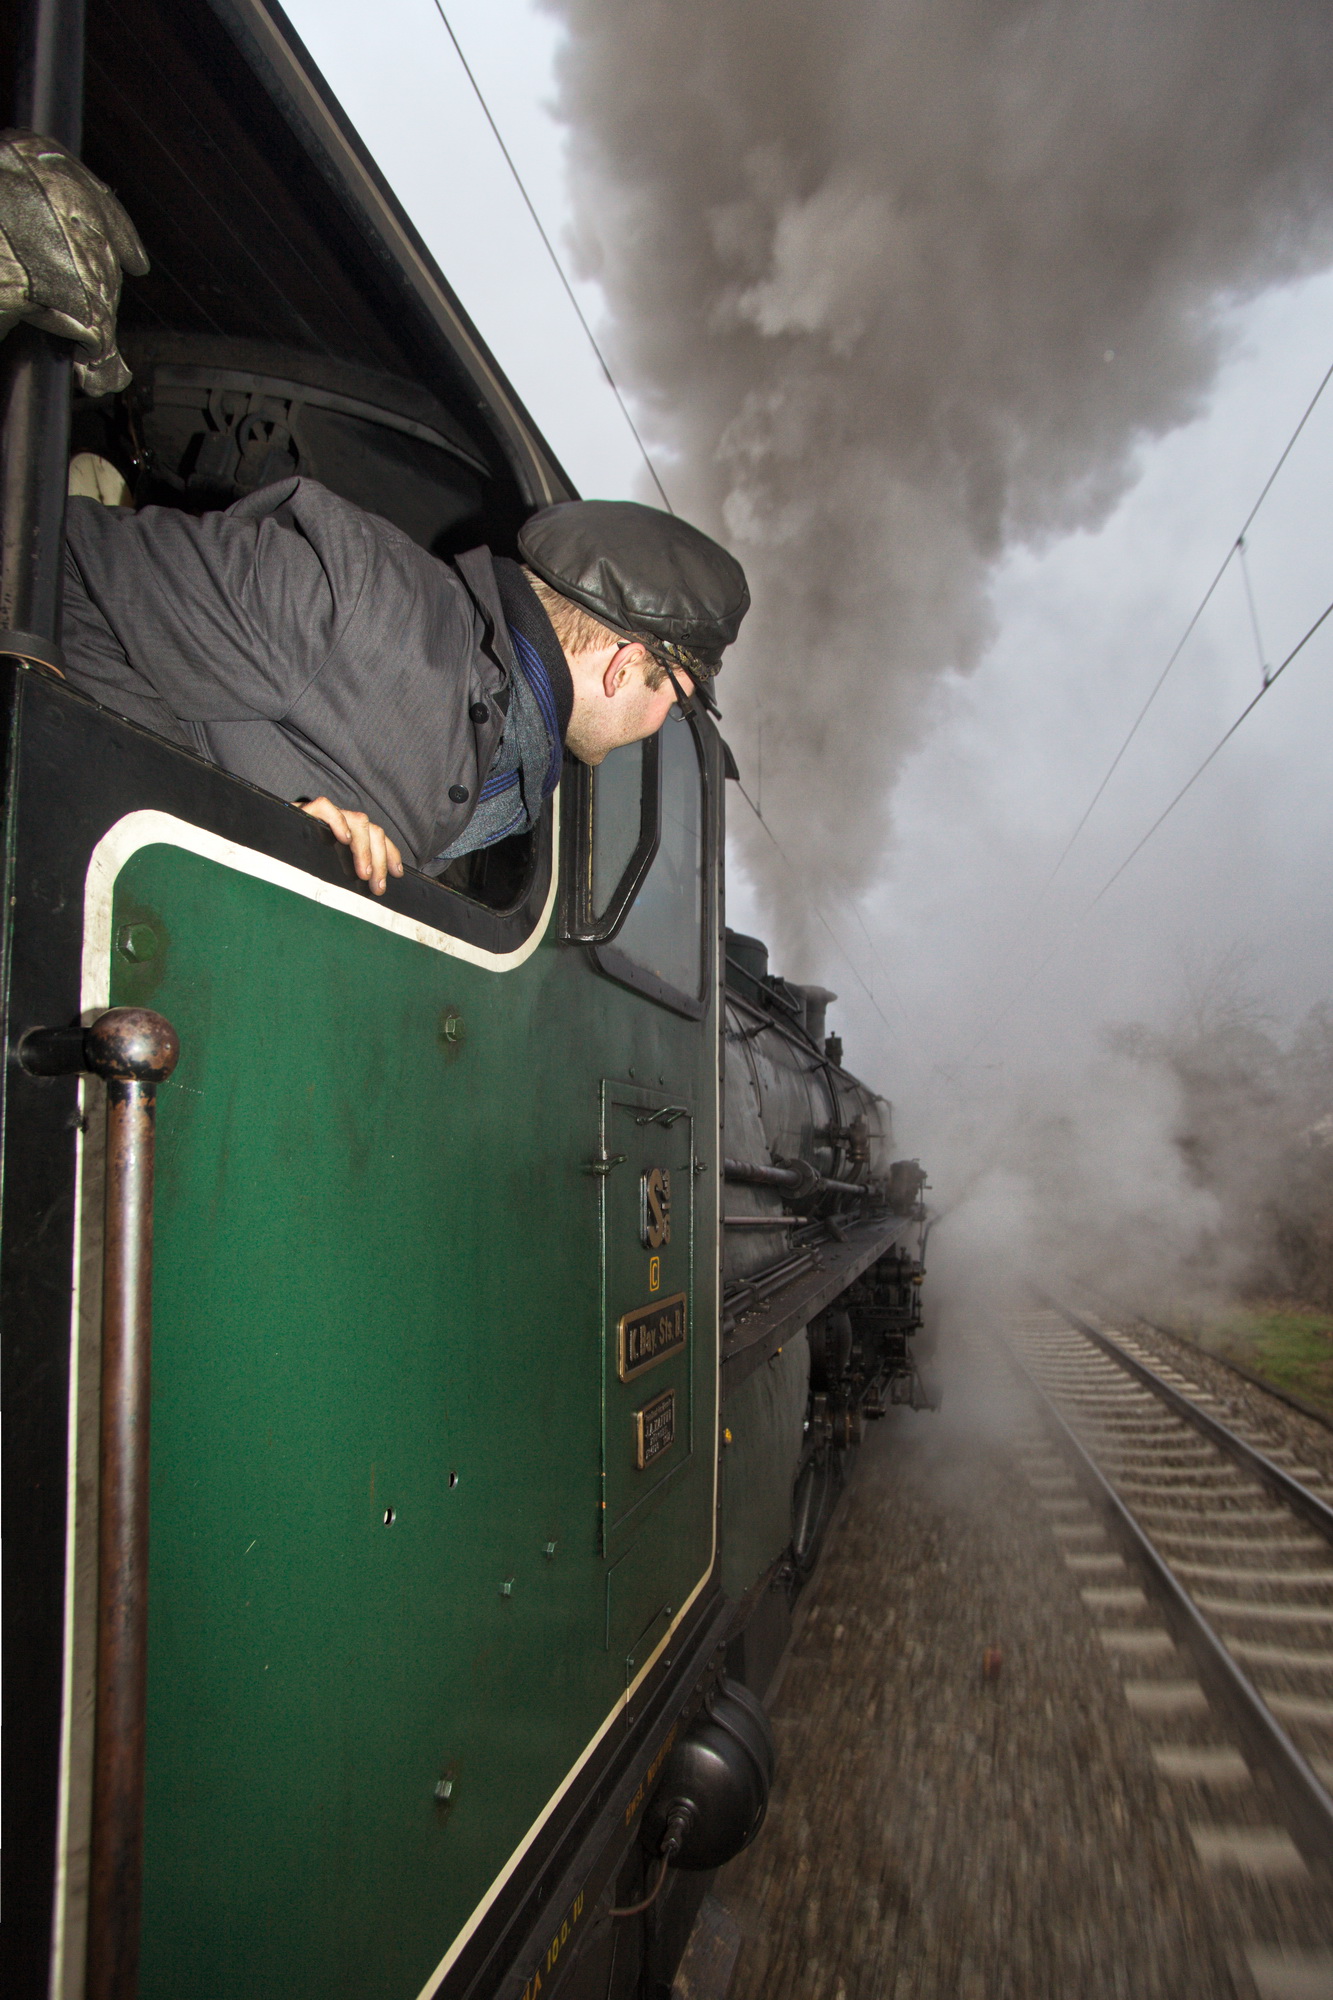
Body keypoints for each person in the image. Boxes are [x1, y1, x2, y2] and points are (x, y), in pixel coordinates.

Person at [0, 130, 750, 894]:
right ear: (629, 665)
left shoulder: (496, 760)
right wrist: (222, 828)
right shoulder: (362, 603)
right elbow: (51, 565)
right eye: (676, 702)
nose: (657, 732)